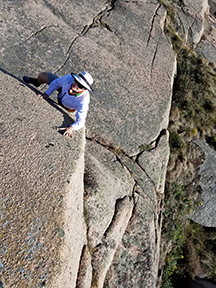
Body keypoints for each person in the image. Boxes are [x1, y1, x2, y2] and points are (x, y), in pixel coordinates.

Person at [23, 71, 94, 138]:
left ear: (85, 89)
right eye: (76, 81)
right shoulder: (69, 79)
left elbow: (81, 121)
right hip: (62, 91)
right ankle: (36, 82)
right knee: (43, 75)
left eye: (80, 86)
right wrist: (47, 93)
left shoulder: (83, 101)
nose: (76, 85)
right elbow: (56, 82)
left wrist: (71, 127)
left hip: (68, 107)